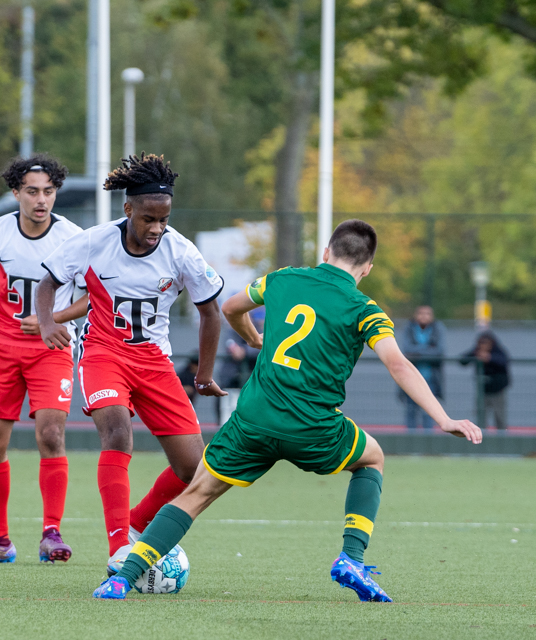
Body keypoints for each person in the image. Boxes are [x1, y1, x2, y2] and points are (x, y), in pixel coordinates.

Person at [93, 219, 482, 602]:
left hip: (253, 420)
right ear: (367, 268)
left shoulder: (282, 279)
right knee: (372, 459)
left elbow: (229, 308)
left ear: (326, 252)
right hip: (313, 426)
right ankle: (352, 558)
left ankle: (121, 580)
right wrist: (443, 418)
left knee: (195, 494)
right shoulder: (365, 308)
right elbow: (398, 363)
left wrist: (255, 338)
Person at [37, 153, 227, 574]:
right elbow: (49, 281)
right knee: (118, 433)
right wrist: (47, 322)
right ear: (128, 210)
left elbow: (211, 312)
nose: (157, 228)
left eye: (163, 219)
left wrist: (204, 374)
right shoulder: (94, 242)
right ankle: (119, 547)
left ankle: (138, 525)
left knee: (196, 468)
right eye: (148, 219)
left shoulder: (180, 251)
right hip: (104, 354)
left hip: (155, 362)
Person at [0, 155, 89, 564]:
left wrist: (50, 319)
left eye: (48, 192)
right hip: (3, 349)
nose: (41, 200)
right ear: (15, 193)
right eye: (32, 191)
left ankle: (52, 533)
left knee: (51, 434)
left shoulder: (74, 238)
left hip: (51, 349)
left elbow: (91, 298)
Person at [399, 305, 445, 429]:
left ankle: (428, 444)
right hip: (410, 378)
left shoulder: (437, 329)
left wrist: (417, 353)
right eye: (421, 313)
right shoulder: (409, 328)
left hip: (431, 379)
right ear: (415, 315)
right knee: (411, 411)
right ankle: (411, 443)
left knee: (430, 412)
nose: (424, 316)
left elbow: (439, 351)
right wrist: (427, 350)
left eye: (427, 313)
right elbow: (407, 349)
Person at [460, 331, 511, 430]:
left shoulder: (498, 351)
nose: (484, 346)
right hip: (483, 391)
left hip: (498, 391)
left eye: (486, 343)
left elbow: (503, 361)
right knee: (480, 419)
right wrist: (476, 355)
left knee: (500, 418)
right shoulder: (476, 351)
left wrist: (489, 358)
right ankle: (481, 441)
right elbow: (462, 361)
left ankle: (502, 441)